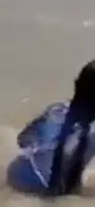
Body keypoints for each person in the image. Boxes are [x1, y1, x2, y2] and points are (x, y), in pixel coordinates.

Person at [7, 60, 95, 196]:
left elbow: (22, 139)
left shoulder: (55, 111)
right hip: (42, 189)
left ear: (76, 84)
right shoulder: (89, 132)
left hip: (16, 172)